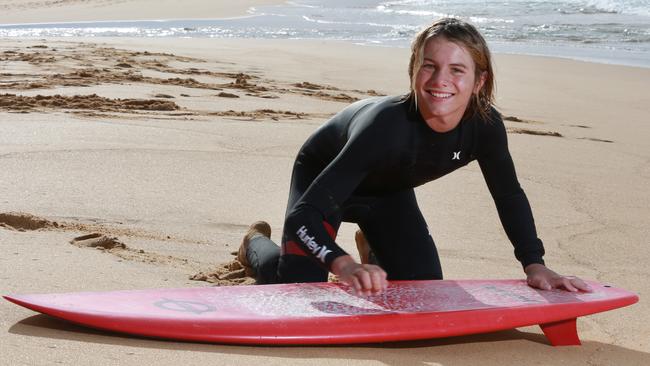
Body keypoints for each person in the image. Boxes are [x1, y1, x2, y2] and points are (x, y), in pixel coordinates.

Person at [237, 17, 591, 296]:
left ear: (479, 81)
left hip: (389, 191)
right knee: (297, 288)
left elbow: (508, 194)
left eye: (457, 69)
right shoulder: (384, 127)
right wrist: (340, 263)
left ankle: (374, 248)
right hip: (324, 179)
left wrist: (535, 264)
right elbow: (304, 216)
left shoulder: (484, 126)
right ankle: (255, 243)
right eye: (429, 66)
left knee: (425, 287)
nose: (441, 80)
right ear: (413, 70)